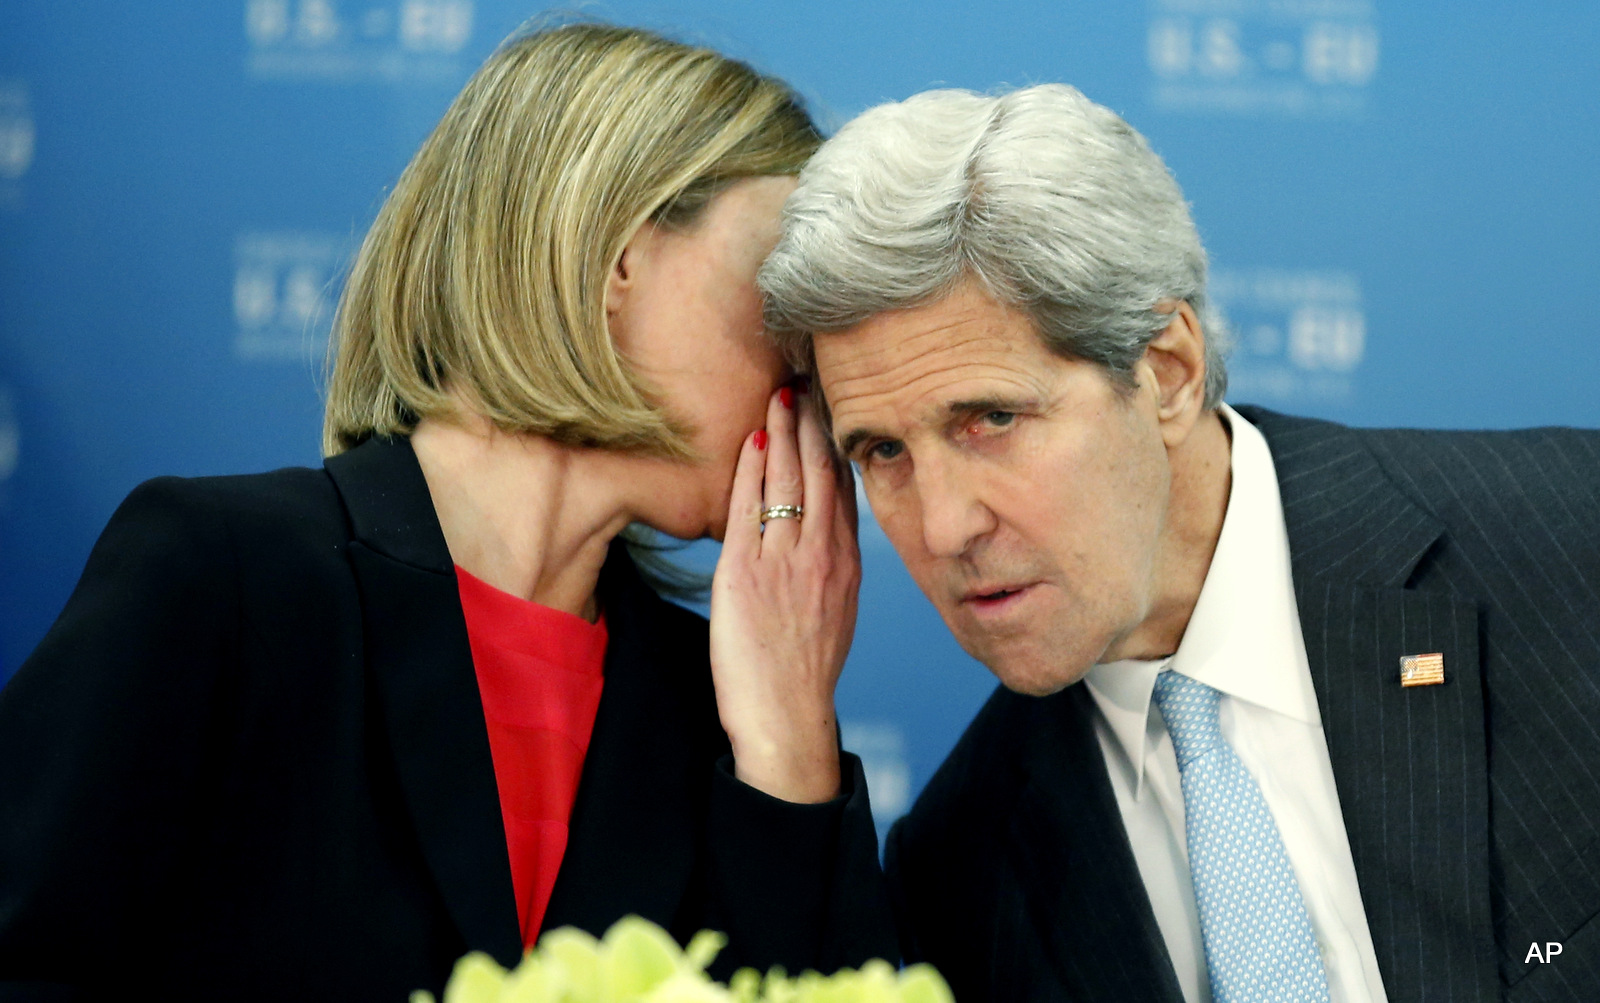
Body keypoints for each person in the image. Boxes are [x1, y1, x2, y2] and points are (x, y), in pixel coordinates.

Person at [0, 23, 895, 1000]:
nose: (814, 369)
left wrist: (788, 742)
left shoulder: (718, 711)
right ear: (612, 254)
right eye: (783, 292)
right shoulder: (223, 577)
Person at [759, 83, 1600, 1002]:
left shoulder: (1570, 542)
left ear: (1168, 372)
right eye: (882, 451)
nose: (941, 525)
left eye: (991, 418)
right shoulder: (956, 871)